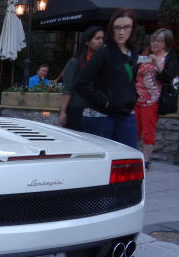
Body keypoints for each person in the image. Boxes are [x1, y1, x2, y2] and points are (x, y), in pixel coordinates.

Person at [75, 8, 139, 148]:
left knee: (129, 159)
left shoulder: (133, 52)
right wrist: (105, 101)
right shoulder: (103, 52)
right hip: (101, 117)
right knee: (102, 164)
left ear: (133, 28)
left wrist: (133, 96)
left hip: (126, 114)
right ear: (111, 29)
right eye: (117, 27)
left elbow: (128, 81)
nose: (121, 32)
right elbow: (81, 83)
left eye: (126, 27)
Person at [136, 28, 178, 170]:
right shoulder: (146, 53)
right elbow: (134, 72)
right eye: (153, 40)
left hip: (152, 101)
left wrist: (157, 65)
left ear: (166, 44)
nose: (154, 43)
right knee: (134, 130)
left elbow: (168, 77)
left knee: (148, 131)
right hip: (136, 99)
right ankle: (133, 158)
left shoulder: (169, 57)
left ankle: (146, 161)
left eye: (159, 41)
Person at [59, 26, 105, 131]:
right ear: (87, 42)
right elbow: (67, 88)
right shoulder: (75, 62)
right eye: (97, 38)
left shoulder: (103, 63)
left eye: (102, 39)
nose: (101, 41)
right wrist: (63, 112)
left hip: (96, 110)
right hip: (76, 110)